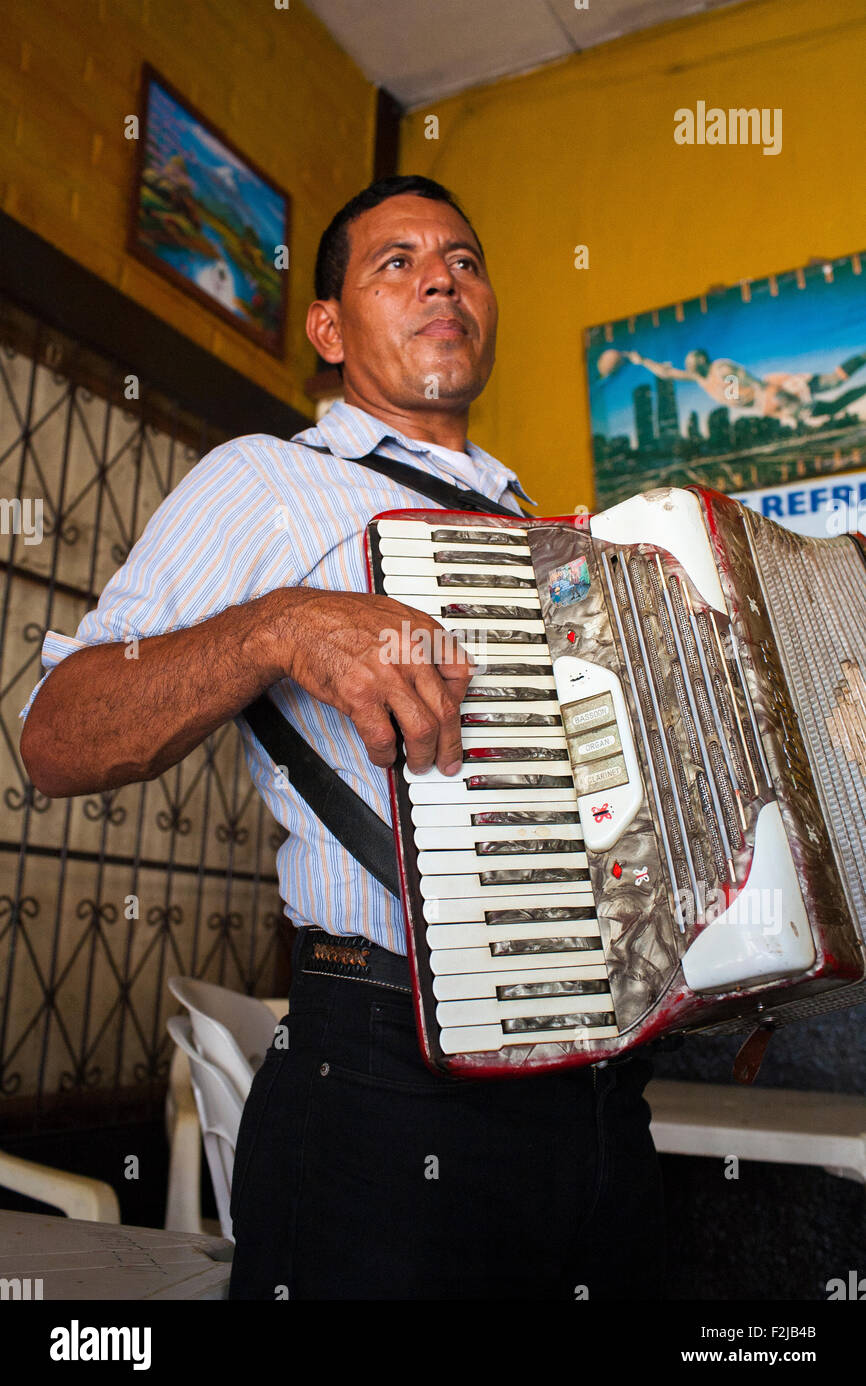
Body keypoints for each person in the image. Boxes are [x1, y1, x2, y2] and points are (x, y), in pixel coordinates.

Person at [19, 175, 663, 1301]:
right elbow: (55, 732)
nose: (438, 280)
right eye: (395, 261)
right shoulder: (269, 484)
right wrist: (277, 626)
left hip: (601, 1094)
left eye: (462, 260)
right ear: (327, 327)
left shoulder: (544, 538)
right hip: (382, 1080)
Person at [625, 345, 866, 427]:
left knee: (834, 382)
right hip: (767, 401)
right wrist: (642, 360)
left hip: (776, 390)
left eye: (691, 360)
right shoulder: (700, 378)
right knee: (831, 407)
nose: (687, 364)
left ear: (701, 359)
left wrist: (777, 396)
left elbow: (751, 381)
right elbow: (667, 373)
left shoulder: (720, 369)